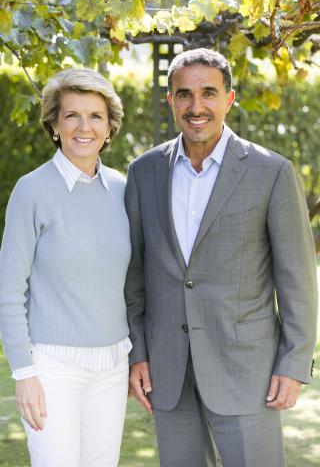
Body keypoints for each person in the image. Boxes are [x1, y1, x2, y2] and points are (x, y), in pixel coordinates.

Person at [124, 48, 318, 467]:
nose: (196, 107)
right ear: (170, 100)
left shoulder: (272, 172)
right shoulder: (144, 172)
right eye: (184, 94)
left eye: (208, 93)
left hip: (247, 371)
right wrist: (138, 353)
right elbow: (135, 275)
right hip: (167, 370)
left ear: (229, 98)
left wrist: (294, 362)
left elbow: (297, 280)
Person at [0, 67, 132, 467]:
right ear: (54, 125)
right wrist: (24, 374)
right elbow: (8, 290)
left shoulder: (124, 190)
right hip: (51, 369)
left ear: (109, 128)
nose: (84, 127)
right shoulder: (32, 190)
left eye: (95, 116)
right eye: (71, 115)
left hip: (112, 367)